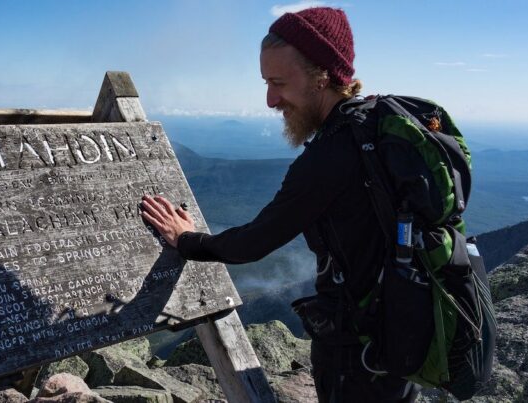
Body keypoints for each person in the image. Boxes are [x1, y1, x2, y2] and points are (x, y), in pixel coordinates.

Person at [140, 7, 419, 403]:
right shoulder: (381, 127)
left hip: (359, 351)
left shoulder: (328, 158)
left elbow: (253, 243)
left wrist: (187, 240)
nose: (270, 99)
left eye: (278, 83)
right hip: (408, 326)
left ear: (322, 76)